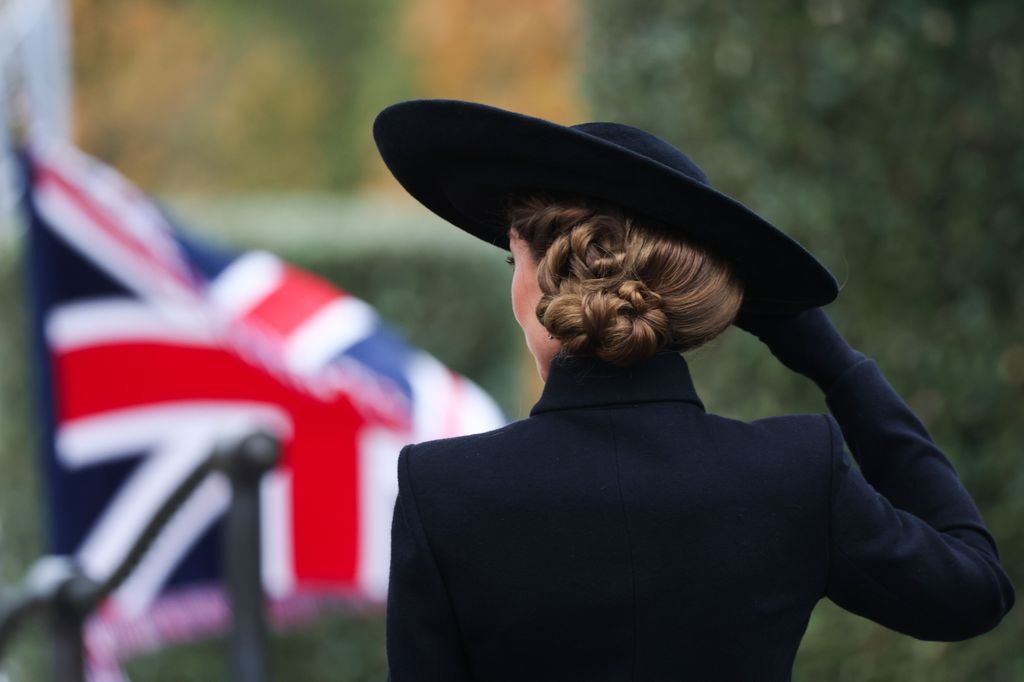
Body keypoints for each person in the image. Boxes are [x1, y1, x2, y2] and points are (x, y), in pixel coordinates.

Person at [372, 99, 1015, 681]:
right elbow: (974, 590)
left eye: (515, 259)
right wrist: (839, 367)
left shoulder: (444, 489)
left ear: (544, 279)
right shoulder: (793, 471)